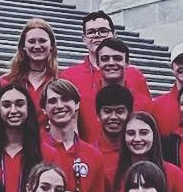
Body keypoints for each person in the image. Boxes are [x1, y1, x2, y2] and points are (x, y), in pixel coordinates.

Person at [61, 11, 152, 141]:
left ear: (114, 35)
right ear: (84, 38)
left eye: (103, 31)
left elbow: (146, 113)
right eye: (91, 32)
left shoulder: (134, 74)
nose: (97, 36)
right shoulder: (69, 76)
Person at [4, 17, 60, 109]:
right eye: (31, 41)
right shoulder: (7, 81)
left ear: (51, 46)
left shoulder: (60, 80)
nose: (37, 46)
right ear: (23, 46)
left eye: (42, 41)